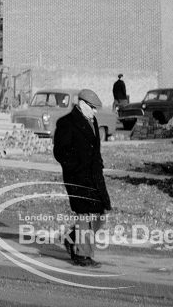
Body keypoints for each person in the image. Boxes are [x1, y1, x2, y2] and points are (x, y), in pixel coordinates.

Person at [52, 89, 111, 268]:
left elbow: (96, 151)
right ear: (82, 104)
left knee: (101, 214)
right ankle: (82, 256)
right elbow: (60, 152)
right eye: (92, 108)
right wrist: (76, 166)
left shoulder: (93, 122)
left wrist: (99, 166)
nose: (95, 112)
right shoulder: (66, 123)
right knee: (85, 215)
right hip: (77, 177)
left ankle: (71, 239)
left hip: (94, 176)